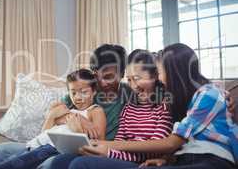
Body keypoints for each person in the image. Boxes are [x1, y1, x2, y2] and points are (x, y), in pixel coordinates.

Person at [72, 43, 238, 169]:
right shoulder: (133, 102)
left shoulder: (189, 98)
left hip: (209, 158)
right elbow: (177, 145)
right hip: (182, 157)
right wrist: (167, 158)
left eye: (159, 73)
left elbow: (170, 143)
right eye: (129, 80)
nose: (159, 78)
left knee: (81, 164)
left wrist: (107, 147)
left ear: (174, 73)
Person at [0, 44, 134, 169]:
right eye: (97, 76)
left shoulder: (130, 95)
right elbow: (55, 115)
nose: (101, 82)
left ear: (122, 74)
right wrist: (77, 119)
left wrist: (72, 120)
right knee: (0, 150)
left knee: (50, 163)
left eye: (108, 77)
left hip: (88, 151)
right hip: (57, 144)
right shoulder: (85, 89)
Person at [46, 49, 174, 169]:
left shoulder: (162, 106)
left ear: (155, 76)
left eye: (136, 78)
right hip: (115, 154)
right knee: (59, 161)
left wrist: (109, 152)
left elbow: (155, 147)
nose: (133, 86)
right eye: (129, 80)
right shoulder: (129, 107)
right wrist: (77, 118)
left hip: (133, 160)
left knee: (79, 164)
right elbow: (57, 110)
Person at [0, 69, 106, 169]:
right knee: (0, 150)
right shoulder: (65, 109)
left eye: (84, 92)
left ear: (94, 91)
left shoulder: (95, 111)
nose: (77, 97)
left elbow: (99, 144)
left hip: (54, 150)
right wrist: (54, 116)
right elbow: (44, 133)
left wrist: (78, 129)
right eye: (73, 92)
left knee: (13, 164)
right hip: (38, 144)